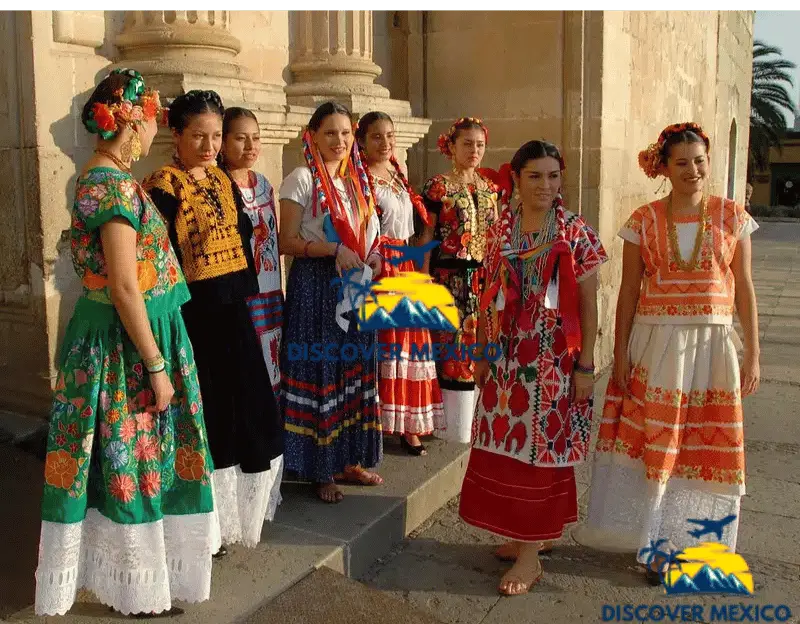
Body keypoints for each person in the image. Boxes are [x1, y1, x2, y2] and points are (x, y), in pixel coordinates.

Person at [34, 69, 219, 617]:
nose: (150, 132)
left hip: (133, 338)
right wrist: (158, 366)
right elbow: (122, 285)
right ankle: (135, 586)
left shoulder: (110, 178)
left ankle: (140, 580)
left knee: (133, 461)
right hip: (125, 347)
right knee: (128, 461)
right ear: (127, 123)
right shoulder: (110, 186)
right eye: (146, 121)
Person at [574, 122, 761, 585]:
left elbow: (746, 289)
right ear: (665, 167)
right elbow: (629, 293)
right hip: (656, 344)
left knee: (701, 445)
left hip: (713, 347)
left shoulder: (731, 216)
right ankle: (655, 545)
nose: (693, 170)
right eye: (682, 163)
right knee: (658, 444)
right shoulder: (643, 220)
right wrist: (617, 354)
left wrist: (754, 353)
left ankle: (693, 544)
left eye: (700, 161)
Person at [458, 141, 608, 595]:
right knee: (505, 445)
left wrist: (586, 365)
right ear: (517, 180)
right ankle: (523, 536)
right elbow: (487, 296)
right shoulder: (502, 231)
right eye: (535, 176)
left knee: (541, 451)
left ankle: (529, 556)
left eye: (553, 176)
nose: (546, 185)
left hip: (553, 361)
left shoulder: (576, 233)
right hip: (506, 358)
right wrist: (483, 353)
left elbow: (587, 303)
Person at [143, 90, 284, 553]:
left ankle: (228, 524)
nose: (208, 145)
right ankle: (201, 530)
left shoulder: (223, 181)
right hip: (194, 319)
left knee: (248, 408)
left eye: (215, 135)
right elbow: (155, 262)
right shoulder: (164, 186)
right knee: (208, 417)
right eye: (198, 135)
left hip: (235, 315)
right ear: (176, 135)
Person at [278, 101, 384, 503]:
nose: (338, 141)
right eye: (329, 133)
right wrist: (331, 249)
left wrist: (372, 255)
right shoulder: (301, 179)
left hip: (356, 282)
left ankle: (350, 459)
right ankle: (320, 469)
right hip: (318, 285)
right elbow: (287, 241)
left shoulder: (357, 181)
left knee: (354, 367)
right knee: (323, 366)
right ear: (313, 135)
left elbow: (371, 235)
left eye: (344, 133)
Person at [355, 111, 444, 456]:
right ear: (362, 140)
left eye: (390, 136)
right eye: (377, 136)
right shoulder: (360, 177)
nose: (385, 142)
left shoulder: (398, 171)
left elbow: (417, 225)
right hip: (380, 264)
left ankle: (410, 424)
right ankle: (379, 423)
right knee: (386, 344)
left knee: (411, 345)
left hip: (405, 262)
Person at [420, 117, 499, 444]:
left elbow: (495, 235)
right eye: (467, 144)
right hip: (448, 278)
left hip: (483, 278)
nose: (474, 150)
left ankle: (473, 425)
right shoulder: (438, 187)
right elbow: (426, 235)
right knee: (450, 347)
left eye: (479, 144)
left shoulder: (490, 188)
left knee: (478, 345)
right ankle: (449, 426)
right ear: (451, 146)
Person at [220, 107, 284, 397]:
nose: (250, 147)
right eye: (241, 138)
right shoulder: (218, 185)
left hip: (270, 289)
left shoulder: (264, 184)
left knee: (274, 358)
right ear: (222, 141)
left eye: (256, 138)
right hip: (240, 292)